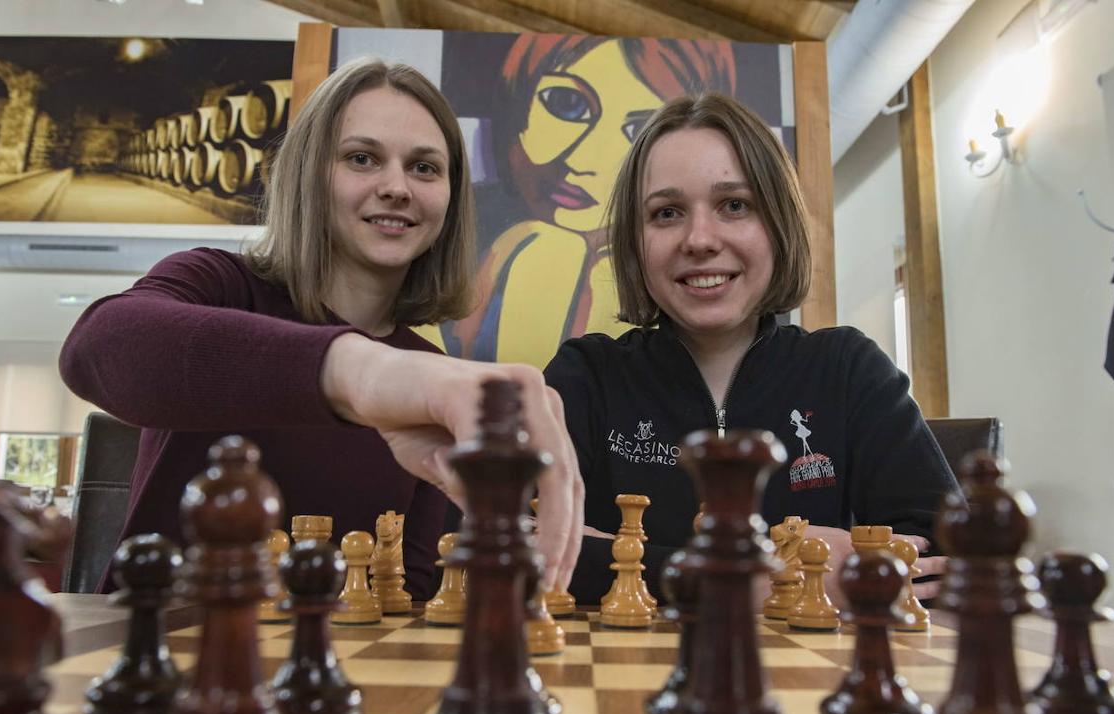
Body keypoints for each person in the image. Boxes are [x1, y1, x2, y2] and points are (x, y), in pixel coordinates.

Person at [60, 58, 582, 597]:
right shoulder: (220, 284)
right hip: (163, 660)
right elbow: (96, 347)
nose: (397, 187)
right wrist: (359, 372)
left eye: (425, 167)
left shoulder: (428, 375)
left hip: (324, 672)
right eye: (362, 158)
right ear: (309, 172)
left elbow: (411, 584)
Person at [543, 92, 956, 607]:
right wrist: (763, 576)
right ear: (635, 241)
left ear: (777, 224)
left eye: (734, 205)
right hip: (618, 683)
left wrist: (620, 557)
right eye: (667, 212)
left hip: (810, 684)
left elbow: (941, 557)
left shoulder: (848, 369)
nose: (699, 238)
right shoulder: (586, 376)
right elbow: (516, 545)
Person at [443, 35, 736, 369]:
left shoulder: (673, 273)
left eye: (641, 129)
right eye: (567, 104)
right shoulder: (458, 227)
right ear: (518, 101)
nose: (583, 160)